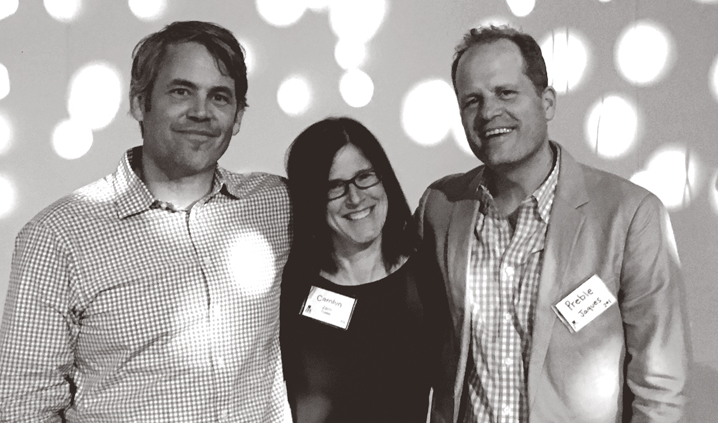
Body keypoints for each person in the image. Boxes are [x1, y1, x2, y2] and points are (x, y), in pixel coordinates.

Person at [0, 21, 292, 422]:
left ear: (237, 117)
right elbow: (21, 409)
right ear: (138, 102)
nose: (201, 112)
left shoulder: (276, 204)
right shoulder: (57, 237)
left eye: (219, 97)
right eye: (181, 91)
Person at [416, 25, 690, 423]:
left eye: (506, 92)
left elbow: (661, 387)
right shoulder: (441, 208)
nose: (488, 112)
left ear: (546, 103)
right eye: (472, 100)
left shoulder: (629, 215)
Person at [280, 117, 449, 423]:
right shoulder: (289, 286)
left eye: (364, 177)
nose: (355, 197)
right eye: (334, 186)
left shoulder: (428, 274)